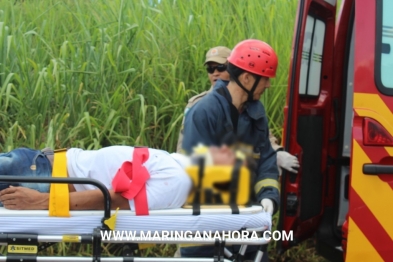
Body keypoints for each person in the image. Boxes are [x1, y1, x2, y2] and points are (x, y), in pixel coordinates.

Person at [181, 39, 285, 261]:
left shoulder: (257, 113)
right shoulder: (204, 112)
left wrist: (268, 197)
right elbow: (196, 174)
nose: (268, 85)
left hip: (245, 227)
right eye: (265, 78)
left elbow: (265, 160)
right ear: (247, 78)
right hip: (205, 232)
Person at [177, 46, 299, 176]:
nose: (215, 73)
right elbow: (185, 146)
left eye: (220, 67)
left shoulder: (250, 100)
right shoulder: (199, 105)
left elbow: (262, 135)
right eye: (210, 69)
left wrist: (275, 153)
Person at [0, 145, 240, 211]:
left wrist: (40, 201)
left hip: (43, 178)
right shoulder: (177, 165)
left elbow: (115, 199)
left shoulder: (178, 181)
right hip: (42, 165)